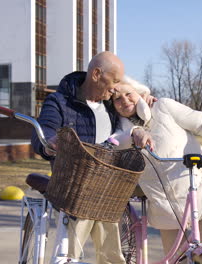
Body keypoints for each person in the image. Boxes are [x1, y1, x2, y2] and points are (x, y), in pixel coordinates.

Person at [110, 77, 202, 264]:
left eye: (128, 94)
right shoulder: (119, 130)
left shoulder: (162, 107)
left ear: (140, 94)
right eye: (117, 99)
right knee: (176, 260)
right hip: (165, 206)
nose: (124, 100)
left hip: (200, 190)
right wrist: (135, 133)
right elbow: (116, 142)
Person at [31, 51, 144, 264]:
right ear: (96, 74)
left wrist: (145, 100)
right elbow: (42, 135)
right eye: (114, 81)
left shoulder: (111, 105)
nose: (116, 88)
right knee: (70, 256)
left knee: (112, 256)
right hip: (74, 189)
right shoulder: (59, 102)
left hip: (107, 191)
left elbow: (131, 114)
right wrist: (52, 142)